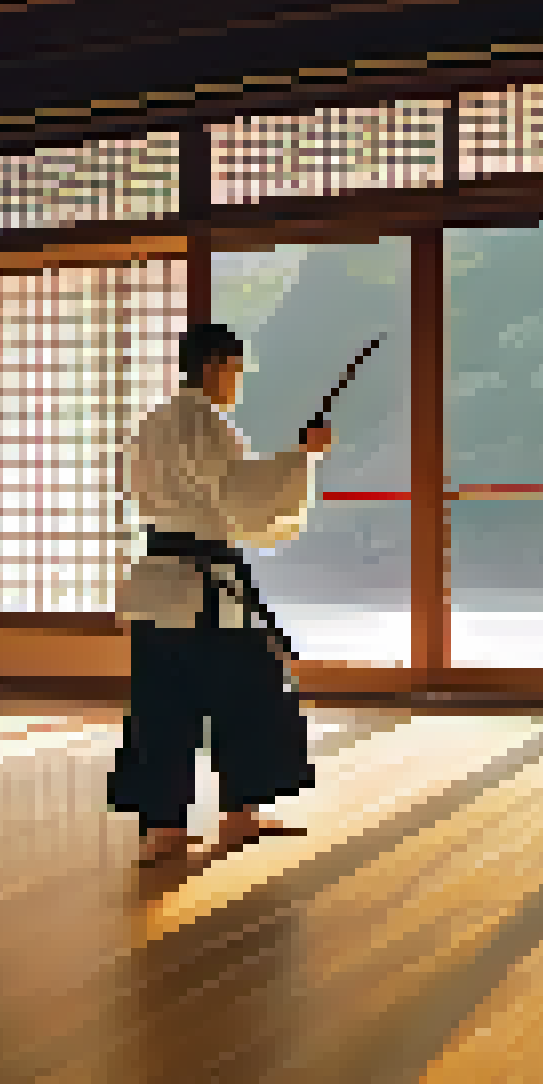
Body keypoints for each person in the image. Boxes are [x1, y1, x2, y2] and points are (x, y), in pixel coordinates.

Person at [110, 323, 333, 866]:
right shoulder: (204, 425)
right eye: (234, 371)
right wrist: (302, 456)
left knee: (160, 704)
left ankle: (162, 827)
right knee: (251, 689)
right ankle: (239, 815)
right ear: (212, 366)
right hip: (201, 584)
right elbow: (241, 497)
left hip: (157, 583)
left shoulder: (152, 425)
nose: (236, 384)